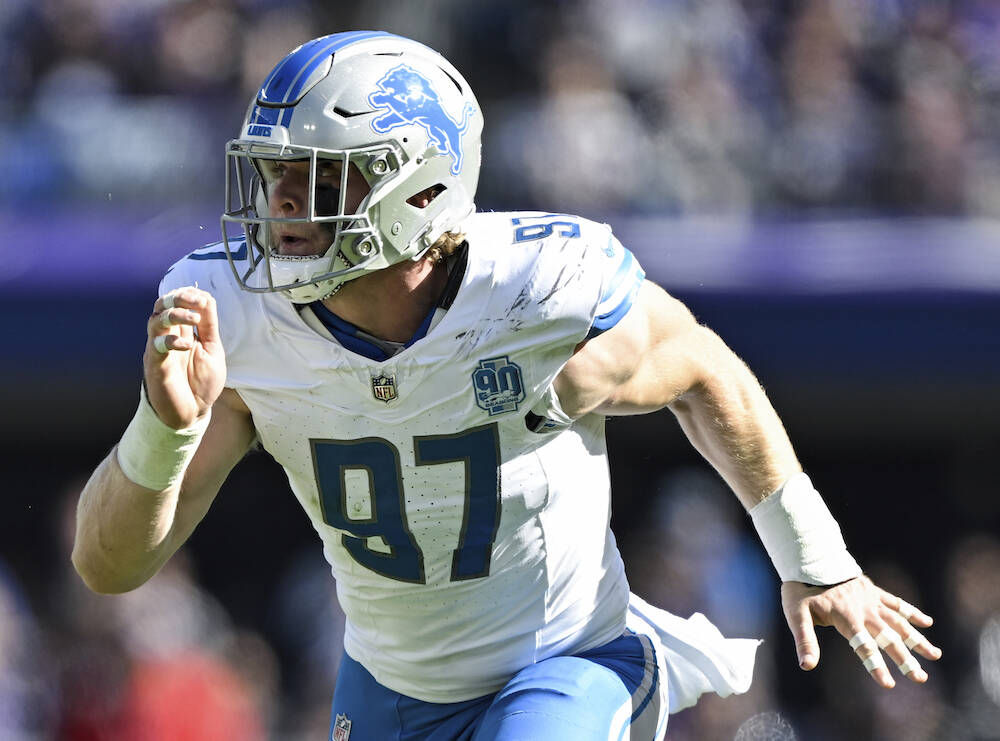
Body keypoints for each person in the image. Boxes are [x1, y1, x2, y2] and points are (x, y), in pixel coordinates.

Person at [71, 31, 941, 740]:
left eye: (317, 177)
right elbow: (108, 567)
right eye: (275, 174)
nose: (280, 205)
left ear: (418, 188)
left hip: (565, 661)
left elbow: (702, 367)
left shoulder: (537, 291)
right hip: (387, 684)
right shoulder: (236, 319)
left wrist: (814, 556)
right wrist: (163, 424)